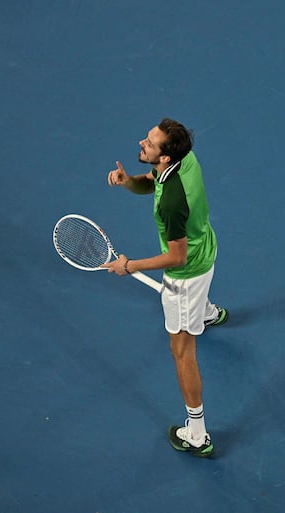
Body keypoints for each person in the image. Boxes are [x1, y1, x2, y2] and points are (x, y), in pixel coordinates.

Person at [103, 118, 228, 458]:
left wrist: (129, 266)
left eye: (149, 143)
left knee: (182, 350)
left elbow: (175, 257)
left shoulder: (173, 203)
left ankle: (198, 433)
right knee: (196, 307)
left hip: (187, 274)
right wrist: (129, 182)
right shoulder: (184, 160)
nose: (141, 143)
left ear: (164, 157)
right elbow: (152, 181)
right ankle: (207, 312)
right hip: (208, 248)